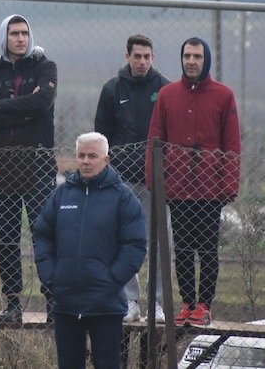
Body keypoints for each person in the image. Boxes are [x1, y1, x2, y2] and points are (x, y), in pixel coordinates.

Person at [146, 37, 240, 327]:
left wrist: (229, 184)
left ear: (206, 59)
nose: (191, 61)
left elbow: (232, 143)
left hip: (210, 189)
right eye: (187, 55)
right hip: (176, 187)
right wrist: (154, 179)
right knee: (182, 249)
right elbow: (154, 138)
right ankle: (187, 303)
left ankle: (204, 305)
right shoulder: (167, 94)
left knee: (207, 249)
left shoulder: (223, 96)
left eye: (197, 56)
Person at [33, 132, 146, 369]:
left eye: (92, 156)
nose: (85, 161)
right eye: (81, 155)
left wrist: (111, 281)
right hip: (65, 302)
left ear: (106, 159)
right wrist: (52, 277)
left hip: (106, 304)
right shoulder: (61, 195)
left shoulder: (123, 198)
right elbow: (42, 236)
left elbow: (134, 246)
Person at [0, 14, 57, 323]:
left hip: (37, 164)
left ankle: (53, 303)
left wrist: (3, 108)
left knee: (43, 235)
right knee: (7, 236)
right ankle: (12, 304)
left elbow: (43, 103)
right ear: (3, 38)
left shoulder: (45, 67)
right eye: (14, 34)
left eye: (24, 33)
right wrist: (23, 109)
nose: (21, 38)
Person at [94, 34, 170, 322]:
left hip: (157, 181)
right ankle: (130, 300)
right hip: (122, 181)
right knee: (123, 241)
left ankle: (159, 304)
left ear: (153, 58)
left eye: (147, 56)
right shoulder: (112, 90)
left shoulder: (165, 89)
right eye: (137, 56)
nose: (142, 61)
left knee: (160, 243)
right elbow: (102, 135)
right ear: (127, 57)